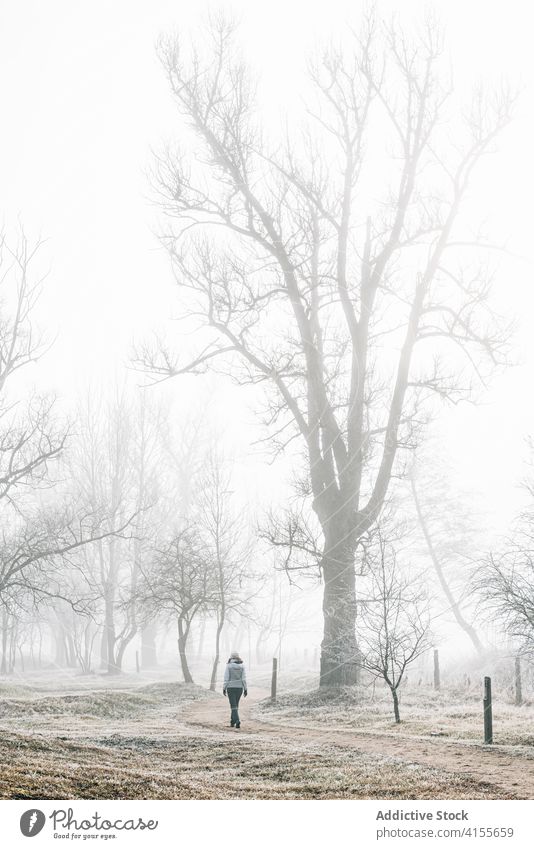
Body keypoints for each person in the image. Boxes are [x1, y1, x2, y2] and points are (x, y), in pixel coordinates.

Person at [223, 651, 247, 728]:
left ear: (231, 657)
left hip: (230, 687)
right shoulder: (242, 666)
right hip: (239, 688)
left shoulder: (229, 666)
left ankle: (237, 721)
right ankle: (232, 721)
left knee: (233, 705)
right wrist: (245, 689)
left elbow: (226, 678)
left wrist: (224, 688)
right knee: (236, 705)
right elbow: (244, 679)